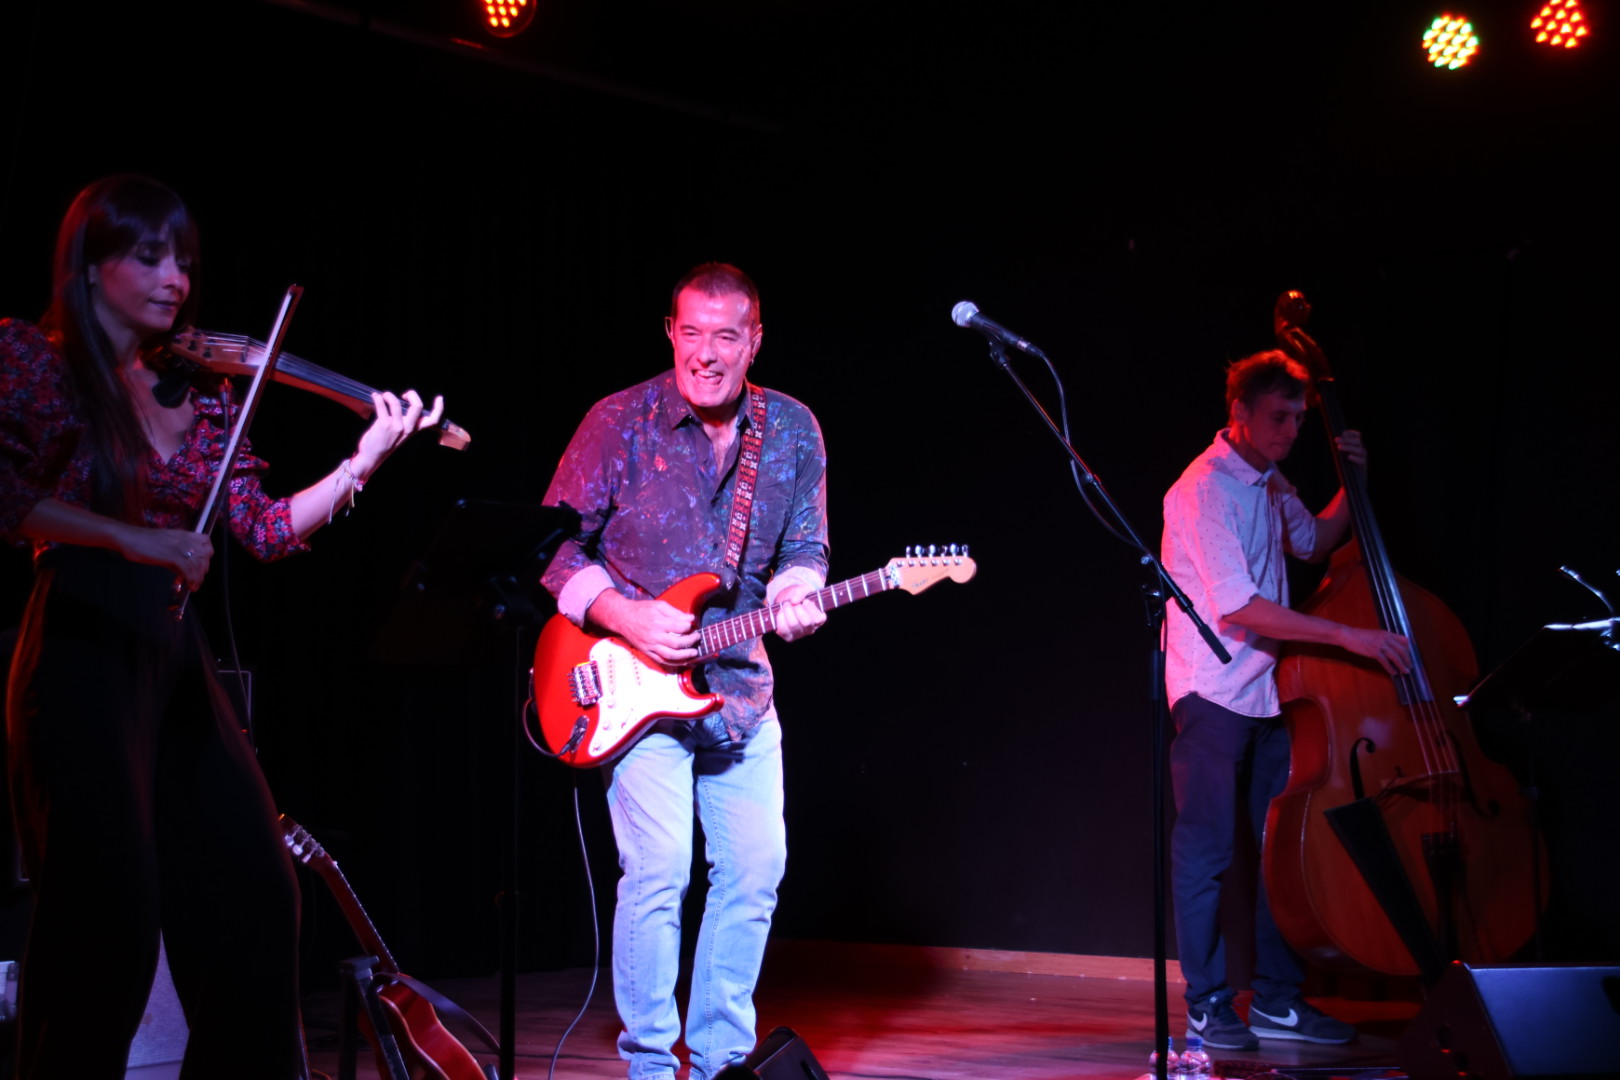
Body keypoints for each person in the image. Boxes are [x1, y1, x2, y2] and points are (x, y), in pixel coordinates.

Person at [0, 174, 445, 1079]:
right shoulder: (35, 362)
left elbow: (264, 529)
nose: (175, 279)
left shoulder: (199, 395)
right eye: (149, 256)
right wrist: (141, 538)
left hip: (172, 651)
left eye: (184, 261)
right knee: (106, 922)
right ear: (89, 266)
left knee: (257, 893)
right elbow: (9, 499)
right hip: (81, 642)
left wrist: (363, 460)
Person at [540, 263, 828, 1080]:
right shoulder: (616, 421)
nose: (706, 354)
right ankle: (649, 1067)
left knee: (755, 873)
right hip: (632, 685)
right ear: (670, 333)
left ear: (754, 341)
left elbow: (805, 549)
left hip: (740, 691)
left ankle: (721, 1064)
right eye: (691, 333)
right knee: (658, 870)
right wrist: (623, 614)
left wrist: (799, 593)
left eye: (725, 336)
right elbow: (553, 548)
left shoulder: (792, 428)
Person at [1160, 349, 1411, 1051]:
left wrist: (1352, 483)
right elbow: (1238, 604)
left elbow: (1315, 542)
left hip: (1269, 693)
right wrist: (1349, 636)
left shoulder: (1270, 481)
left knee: (1279, 854)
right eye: (1279, 417)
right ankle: (1208, 1004)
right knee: (1207, 852)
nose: (1292, 431)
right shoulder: (1204, 488)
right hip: (1212, 692)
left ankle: (1276, 1000)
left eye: (1299, 419)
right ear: (1238, 411)